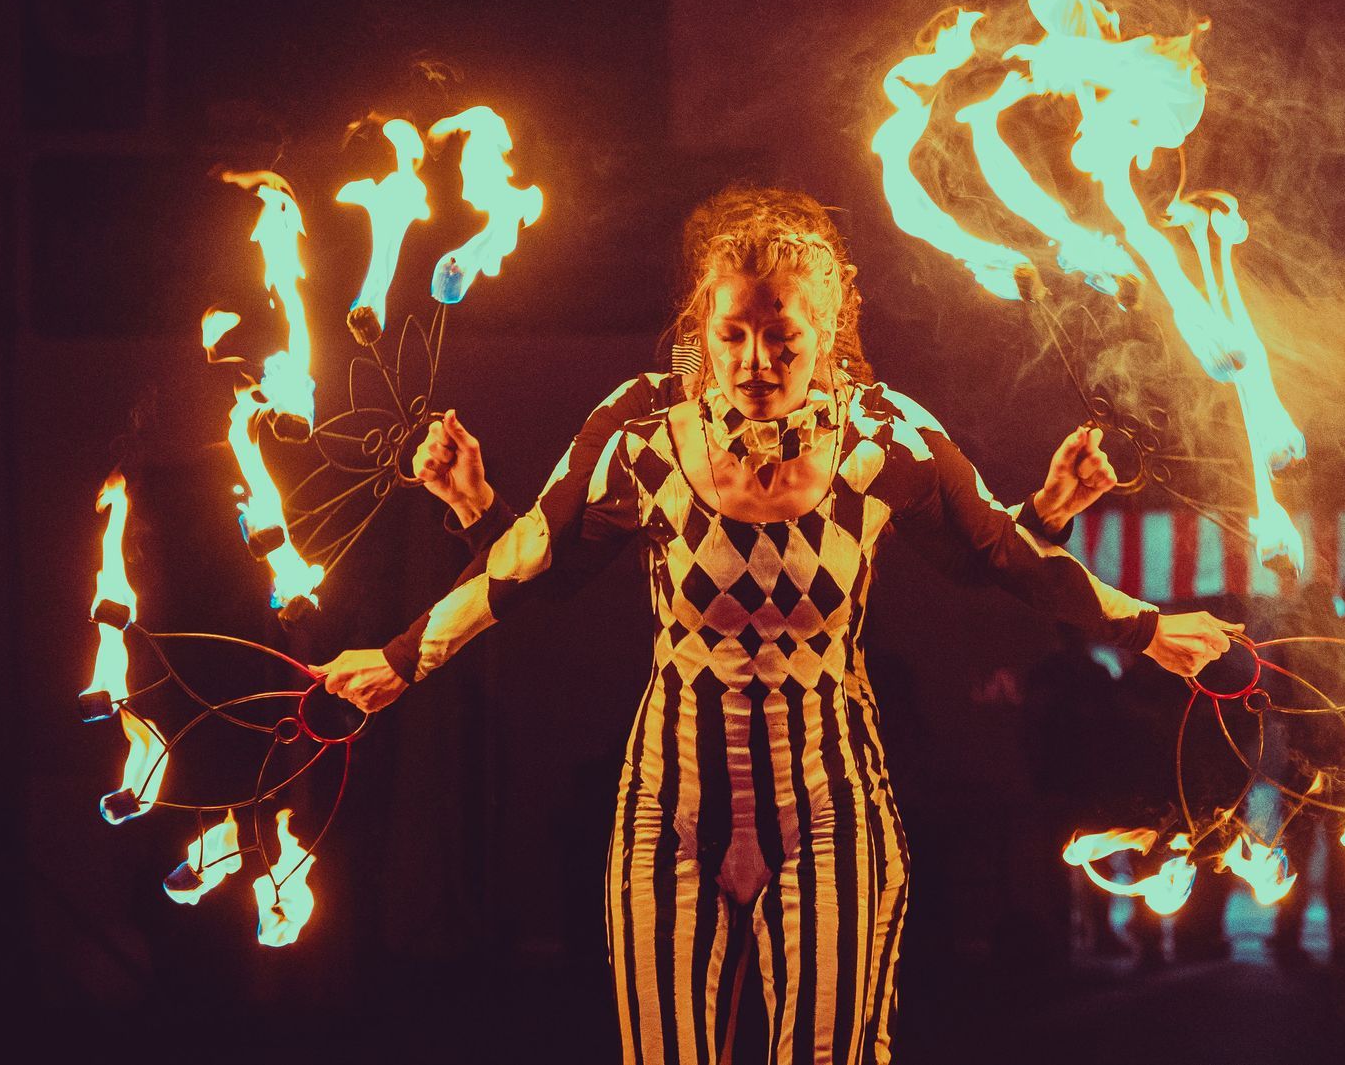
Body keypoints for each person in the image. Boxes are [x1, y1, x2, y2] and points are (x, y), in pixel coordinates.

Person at [314, 186, 1240, 1063]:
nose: (757, 361)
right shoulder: (643, 429)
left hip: (831, 803)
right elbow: (538, 566)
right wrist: (414, 637)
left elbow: (993, 559)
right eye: (733, 335)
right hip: (667, 809)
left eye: (783, 338)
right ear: (699, 333)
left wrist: (1141, 619)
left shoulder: (886, 437)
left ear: (829, 330)